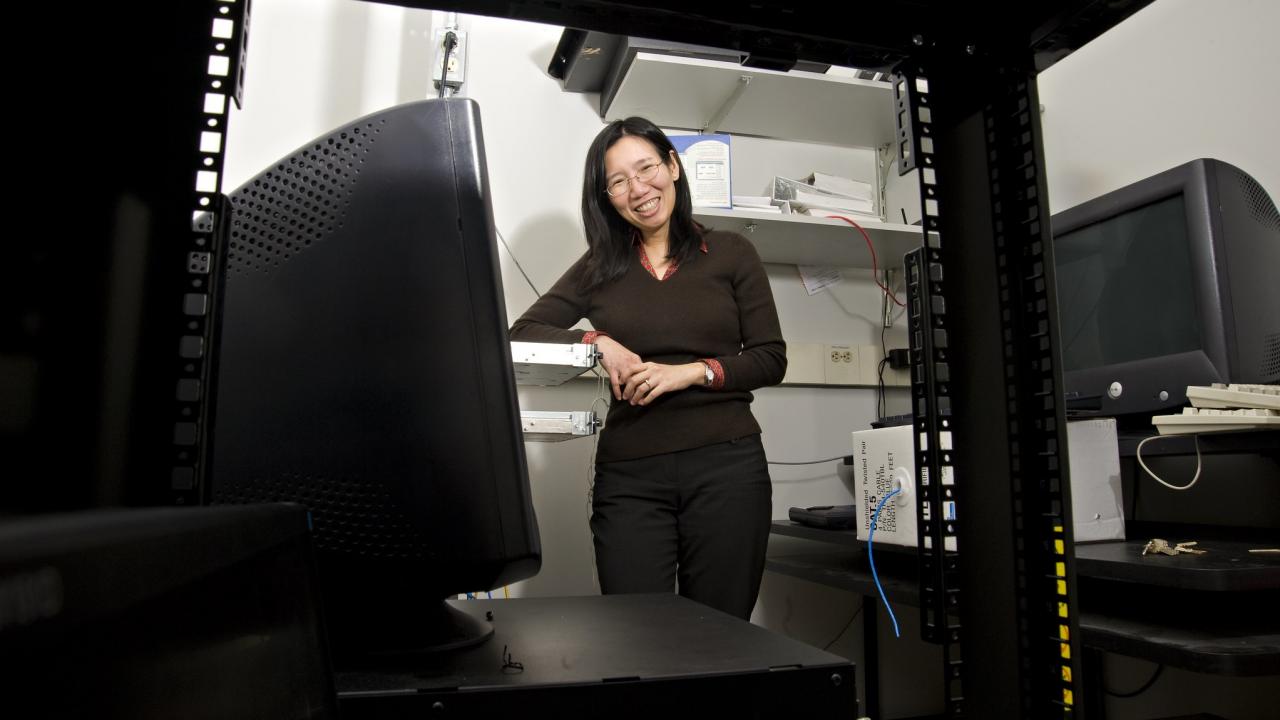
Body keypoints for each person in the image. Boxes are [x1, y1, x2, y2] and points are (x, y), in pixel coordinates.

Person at [509, 117, 786, 620]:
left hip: (727, 470)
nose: (637, 189)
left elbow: (770, 358)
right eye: (618, 181)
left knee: (722, 635)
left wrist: (691, 372)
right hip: (630, 476)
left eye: (646, 169)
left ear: (672, 166)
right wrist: (597, 343)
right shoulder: (600, 266)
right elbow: (522, 333)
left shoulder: (731, 252)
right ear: (607, 198)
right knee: (635, 633)